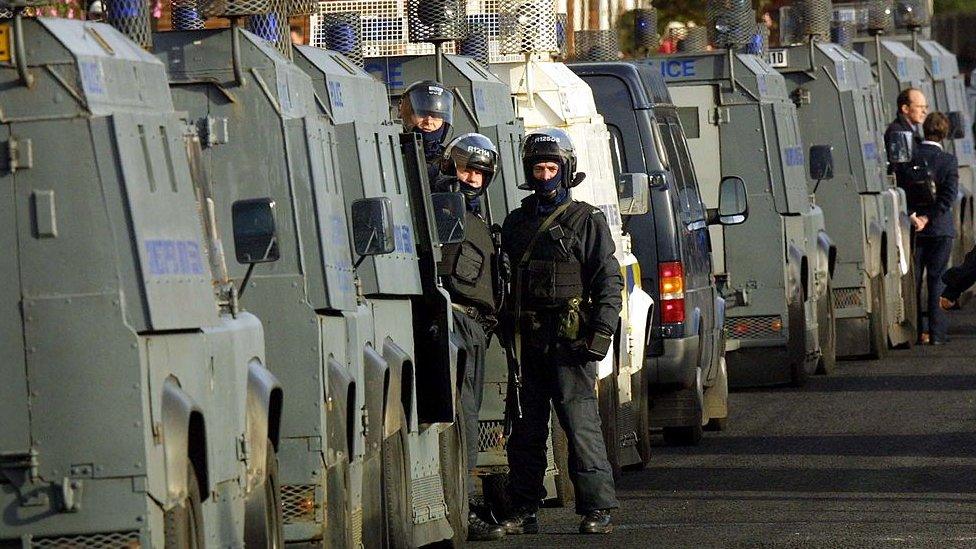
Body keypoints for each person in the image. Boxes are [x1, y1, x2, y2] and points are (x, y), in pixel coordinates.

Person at [500, 128, 621, 535]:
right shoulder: (516, 223)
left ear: (566, 170)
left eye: (552, 167)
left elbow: (608, 280)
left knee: (580, 424)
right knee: (526, 429)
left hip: (571, 343)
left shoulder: (586, 220)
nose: (545, 175)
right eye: (538, 168)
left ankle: (597, 508)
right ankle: (523, 509)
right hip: (528, 342)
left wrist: (601, 331)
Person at [433, 133, 507, 541]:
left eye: (480, 172)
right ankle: (458, 513)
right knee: (461, 419)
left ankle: (462, 506)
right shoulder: (442, 209)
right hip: (454, 321)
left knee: (471, 416)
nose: (473, 178)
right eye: (467, 169)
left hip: (477, 326)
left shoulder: (476, 216)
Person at [913, 112, 958, 344]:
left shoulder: (912, 156)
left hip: (914, 229)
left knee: (914, 281)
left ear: (924, 130)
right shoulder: (948, 161)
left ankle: (916, 332)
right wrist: (930, 217)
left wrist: (917, 217)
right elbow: (948, 196)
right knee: (937, 279)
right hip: (940, 228)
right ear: (945, 133)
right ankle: (937, 334)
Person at [885, 87, 930, 232]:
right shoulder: (898, 132)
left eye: (925, 107)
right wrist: (910, 212)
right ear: (905, 108)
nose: (924, 112)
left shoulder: (912, 132)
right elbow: (901, 173)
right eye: (919, 107)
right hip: (906, 208)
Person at [399, 80, 455, 181]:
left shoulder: (451, 161)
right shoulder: (394, 153)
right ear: (408, 115)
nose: (428, 121)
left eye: (436, 116)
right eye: (421, 114)